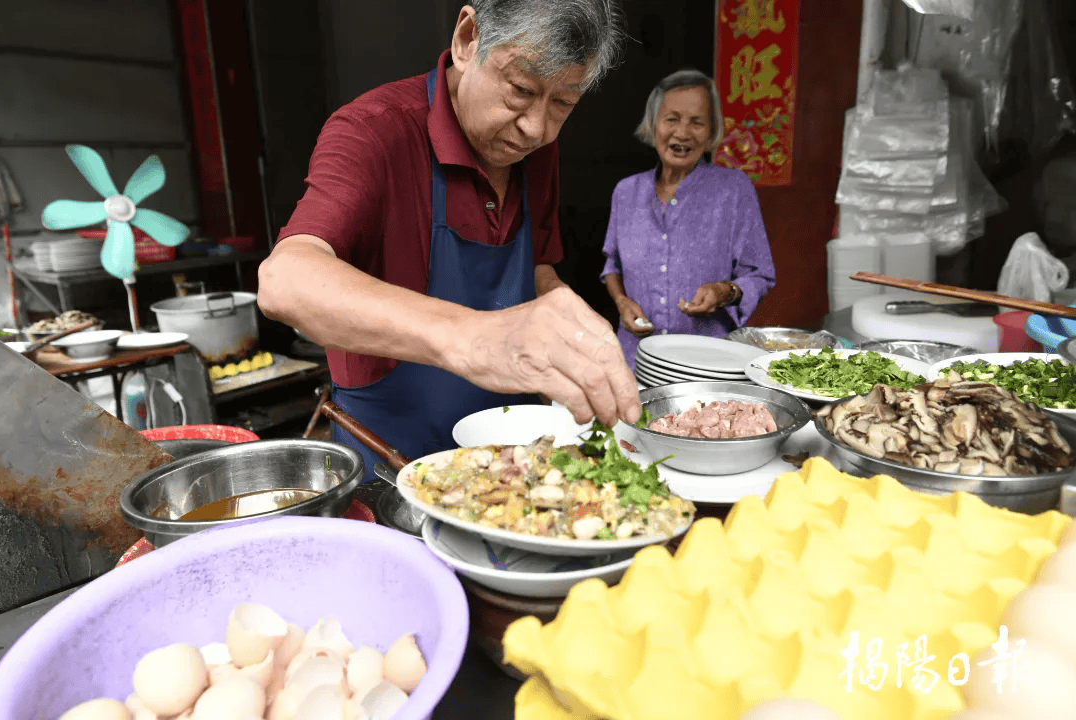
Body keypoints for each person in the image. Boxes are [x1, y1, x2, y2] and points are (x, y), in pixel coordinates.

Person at [257, 1, 638, 474]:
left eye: (563, 103)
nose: (537, 127)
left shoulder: (534, 147)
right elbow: (284, 280)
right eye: (520, 89)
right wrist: (473, 338)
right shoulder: (374, 132)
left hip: (514, 457)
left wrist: (566, 321)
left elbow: (535, 265)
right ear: (466, 38)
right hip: (390, 460)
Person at [601, 68, 776, 368]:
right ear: (654, 124)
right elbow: (612, 266)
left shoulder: (733, 190)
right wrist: (622, 302)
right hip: (636, 361)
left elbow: (760, 274)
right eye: (672, 119)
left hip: (707, 362)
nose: (682, 133)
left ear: (710, 134)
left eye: (697, 122)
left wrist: (724, 292)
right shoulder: (626, 192)